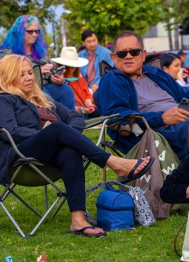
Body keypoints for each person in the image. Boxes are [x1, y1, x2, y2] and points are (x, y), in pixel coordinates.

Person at [0, 55, 153, 237]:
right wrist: (49, 134)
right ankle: (115, 163)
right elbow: (10, 131)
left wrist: (65, 136)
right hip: (20, 155)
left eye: (29, 73)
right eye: (21, 74)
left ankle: (78, 221)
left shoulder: (40, 98)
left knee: (69, 150)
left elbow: (75, 117)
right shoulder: (5, 99)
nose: (28, 77)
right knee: (57, 129)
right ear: (8, 77)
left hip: (49, 154)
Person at [97, 31, 189, 160]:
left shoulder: (155, 73)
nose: (128, 56)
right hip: (152, 134)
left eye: (134, 52)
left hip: (182, 125)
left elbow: (186, 96)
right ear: (113, 58)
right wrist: (161, 118)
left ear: (143, 55)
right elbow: (116, 116)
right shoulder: (113, 79)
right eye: (122, 53)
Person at [0, 15, 75, 110]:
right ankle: (49, 122)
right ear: (19, 32)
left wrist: (56, 78)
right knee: (42, 93)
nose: (34, 34)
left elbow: (49, 74)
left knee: (66, 90)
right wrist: (36, 71)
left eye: (37, 31)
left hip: (44, 86)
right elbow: (6, 77)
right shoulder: (7, 53)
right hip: (20, 90)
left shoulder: (41, 51)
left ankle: (70, 120)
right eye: (30, 31)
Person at [52, 47, 101, 118]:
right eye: (70, 66)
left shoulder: (79, 77)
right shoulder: (57, 80)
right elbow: (65, 105)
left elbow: (87, 94)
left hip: (86, 109)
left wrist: (89, 103)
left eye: (74, 65)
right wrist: (82, 110)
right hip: (74, 112)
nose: (73, 68)